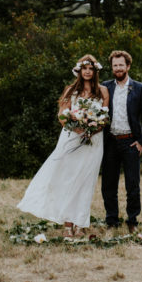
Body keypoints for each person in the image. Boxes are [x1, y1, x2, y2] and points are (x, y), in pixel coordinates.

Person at [17, 54, 110, 237]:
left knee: (86, 181)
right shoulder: (70, 90)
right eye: (85, 68)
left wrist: (92, 128)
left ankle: (80, 223)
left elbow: (105, 117)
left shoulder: (103, 91)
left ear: (96, 71)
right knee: (69, 180)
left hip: (94, 141)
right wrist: (77, 127)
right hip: (72, 138)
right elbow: (62, 115)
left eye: (91, 69)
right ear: (79, 70)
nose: (88, 72)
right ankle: (68, 224)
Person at [101, 50, 142, 233]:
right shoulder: (105, 87)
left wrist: (141, 141)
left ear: (128, 66)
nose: (118, 68)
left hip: (131, 142)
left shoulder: (140, 88)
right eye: (115, 65)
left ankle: (132, 220)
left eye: (121, 65)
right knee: (108, 184)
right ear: (112, 67)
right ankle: (111, 221)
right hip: (110, 142)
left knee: (132, 184)